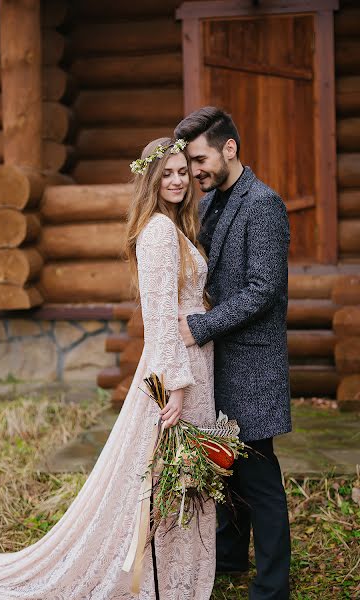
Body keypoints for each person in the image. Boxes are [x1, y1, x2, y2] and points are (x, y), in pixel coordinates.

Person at [0, 137, 217, 600]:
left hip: (196, 361)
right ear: (151, 180)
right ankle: (159, 581)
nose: (178, 180)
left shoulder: (177, 226)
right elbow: (159, 319)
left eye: (183, 172)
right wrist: (175, 387)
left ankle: (176, 578)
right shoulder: (159, 232)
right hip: (178, 370)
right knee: (167, 477)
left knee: (182, 477)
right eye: (168, 174)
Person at [175, 107, 292, 599]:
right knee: (226, 465)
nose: (194, 170)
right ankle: (228, 558)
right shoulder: (212, 204)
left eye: (199, 159)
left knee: (259, 474)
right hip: (220, 360)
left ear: (229, 148)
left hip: (253, 361)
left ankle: (272, 586)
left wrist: (199, 326)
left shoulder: (263, 203)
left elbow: (262, 288)